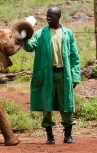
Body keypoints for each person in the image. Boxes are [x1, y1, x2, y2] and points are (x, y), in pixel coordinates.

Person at [23, 6, 81, 144]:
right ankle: (50, 136)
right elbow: (29, 47)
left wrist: (75, 76)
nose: (48, 18)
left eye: (51, 16)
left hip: (64, 75)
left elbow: (74, 57)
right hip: (46, 75)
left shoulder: (68, 34)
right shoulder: (40, 33)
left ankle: (68, 135)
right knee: (46, 105)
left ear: (58, 16)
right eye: (47, 15)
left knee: (67, 104)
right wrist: (24, 35)